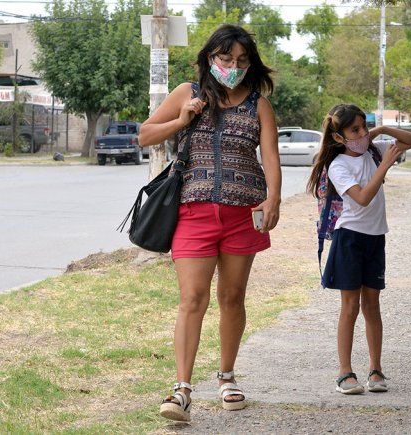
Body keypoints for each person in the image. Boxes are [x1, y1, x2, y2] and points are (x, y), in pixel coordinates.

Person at [137, 24, 281, 421]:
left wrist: (274, 198)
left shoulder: (258, 105)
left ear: (250, 64)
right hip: (193, 212)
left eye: (241, 60)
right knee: (192, 299)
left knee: (232, 297)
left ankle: (227, 376)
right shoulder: (189, 93)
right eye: (225, 58)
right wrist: (182, 119)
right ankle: (181, 390)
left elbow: (270, 154)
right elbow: (145, 135)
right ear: (209, 59)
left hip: (242, 214)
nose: (233, 66)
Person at [306, 104, 411, 395]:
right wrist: (384, 166)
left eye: (364, 126)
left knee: (372, 305)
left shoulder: (374, 148)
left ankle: (376, 369)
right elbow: (363, 198)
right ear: (339, 137)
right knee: (350, 307)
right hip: (349, 238)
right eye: (354, 130)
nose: (362, 134)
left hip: (375, 236)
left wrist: (380, 130)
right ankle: (345, 372)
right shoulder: (339, 165)